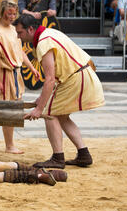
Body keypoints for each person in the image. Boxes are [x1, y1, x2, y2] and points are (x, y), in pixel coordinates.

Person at [14, 14, 105, 169]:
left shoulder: (43, 42)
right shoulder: (49, 33)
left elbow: (49, 79)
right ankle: (84, 155)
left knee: (49, 113)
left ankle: (57, 158)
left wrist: (39, 108)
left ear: (30, 29)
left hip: (76, 77)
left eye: (20, 33)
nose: (18, 37)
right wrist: (42, 99)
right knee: (61, 116)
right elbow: (55, 76)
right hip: (80, 74)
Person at [0, 0, 40, 155]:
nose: (12, 16)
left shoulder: (14, 30)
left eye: (14, 13)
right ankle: (9, 145)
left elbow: (20, 52)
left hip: (16, 73)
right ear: (2, 12)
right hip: (5, 75)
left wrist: (32, 68)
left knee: (14, 109)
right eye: (9, 13)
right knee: (9, 111)